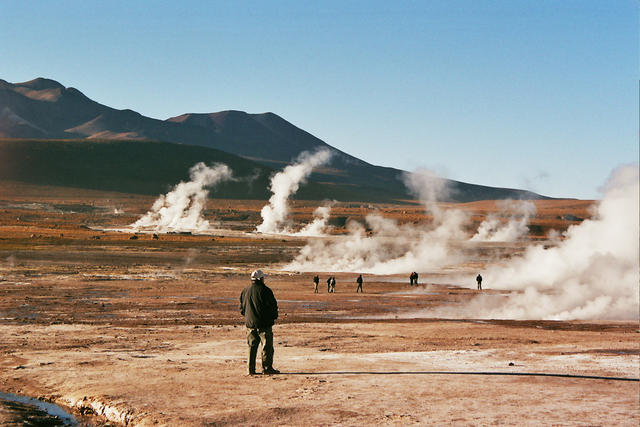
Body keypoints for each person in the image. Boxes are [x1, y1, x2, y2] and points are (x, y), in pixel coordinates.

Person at [239, 269, 280, 375]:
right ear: (261, 278)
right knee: (267, 347)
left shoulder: (245, 290)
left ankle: (250, 369)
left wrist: (248, 317)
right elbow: (272, 307)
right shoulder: (266, 291)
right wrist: (273, 318)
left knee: (251, 347)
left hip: (250, 323)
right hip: (264, 324)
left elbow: (242, 308)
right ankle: (267, 368)